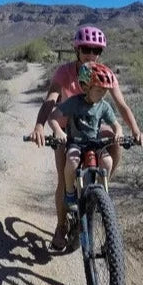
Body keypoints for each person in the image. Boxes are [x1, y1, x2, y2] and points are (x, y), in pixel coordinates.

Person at [28, 25, 143, 249]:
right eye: (86, 49)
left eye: (96, 50)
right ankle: (61, 226)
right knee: (64, 180)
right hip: (66, 129)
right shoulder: (65, 72)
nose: (91, 54)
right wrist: (40, 126)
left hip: (92, 128)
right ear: (77, 50)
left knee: (113, 138)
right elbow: (51, 100)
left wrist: (135, 130)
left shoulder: (104, 74)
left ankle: (101, 189)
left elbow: (120, 106)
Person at [47, 62, 121, 224]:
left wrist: (119, 132)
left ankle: (102, 197)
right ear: (86, 87)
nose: (103, 94)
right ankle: (70, 193)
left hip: (95, 144)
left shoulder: (104, 106)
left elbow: (116, 124)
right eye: (99, 89)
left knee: (107, 162)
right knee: (72, 161)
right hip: (75, 143)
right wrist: (59, 131)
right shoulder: (74, 102)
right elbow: (53, 116)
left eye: (106, 90)